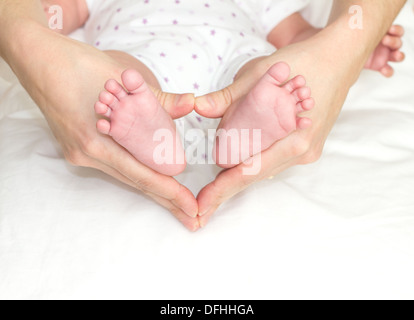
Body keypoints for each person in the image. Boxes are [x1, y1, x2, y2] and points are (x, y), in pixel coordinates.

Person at [0, 0, 407, 231]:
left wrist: (354, 47)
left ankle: (243, 127)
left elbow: (301, 41)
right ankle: (151, 129)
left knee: (264, 71)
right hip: (144, 64)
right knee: (120, 75)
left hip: (233, 64)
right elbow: (48, 16)